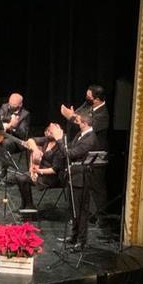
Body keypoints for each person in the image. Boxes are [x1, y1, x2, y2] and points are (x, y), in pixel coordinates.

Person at [49, 113, 98, 250]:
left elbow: (70, 154)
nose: (77, 123)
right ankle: (74, 236)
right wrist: (61, 142)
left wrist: (59, 139)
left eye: (78, 121)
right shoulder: (80, 134)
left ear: (85, 123)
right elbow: (69, 148)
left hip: (82, 179)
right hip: (74, 177)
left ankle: (81, 241)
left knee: (81, 211)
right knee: (74, 210)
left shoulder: (90, 139)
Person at [60, 84, 110, 218]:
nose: (86, 98)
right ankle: (86, 211)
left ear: (97, 99)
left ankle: (100, 214)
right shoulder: (88, 105)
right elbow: (79, 115)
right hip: (84, 148)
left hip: (96, 152)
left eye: (89, 97)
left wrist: (72, 116)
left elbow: (87, 124)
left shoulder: (103, 115)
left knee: (97, 185)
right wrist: (73, 115)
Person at [13, 123, 66, 211]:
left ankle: (29, 205)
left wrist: (37, 171)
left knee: (22, 179)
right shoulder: (47, 140)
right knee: (18, 177)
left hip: (52, 177)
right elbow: (31, 140)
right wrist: (36, 150)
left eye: (51, 132)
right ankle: (25, 204)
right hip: (40, 171)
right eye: (48, 131)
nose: (48, 133)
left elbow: (54, 170)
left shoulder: (60, 148)